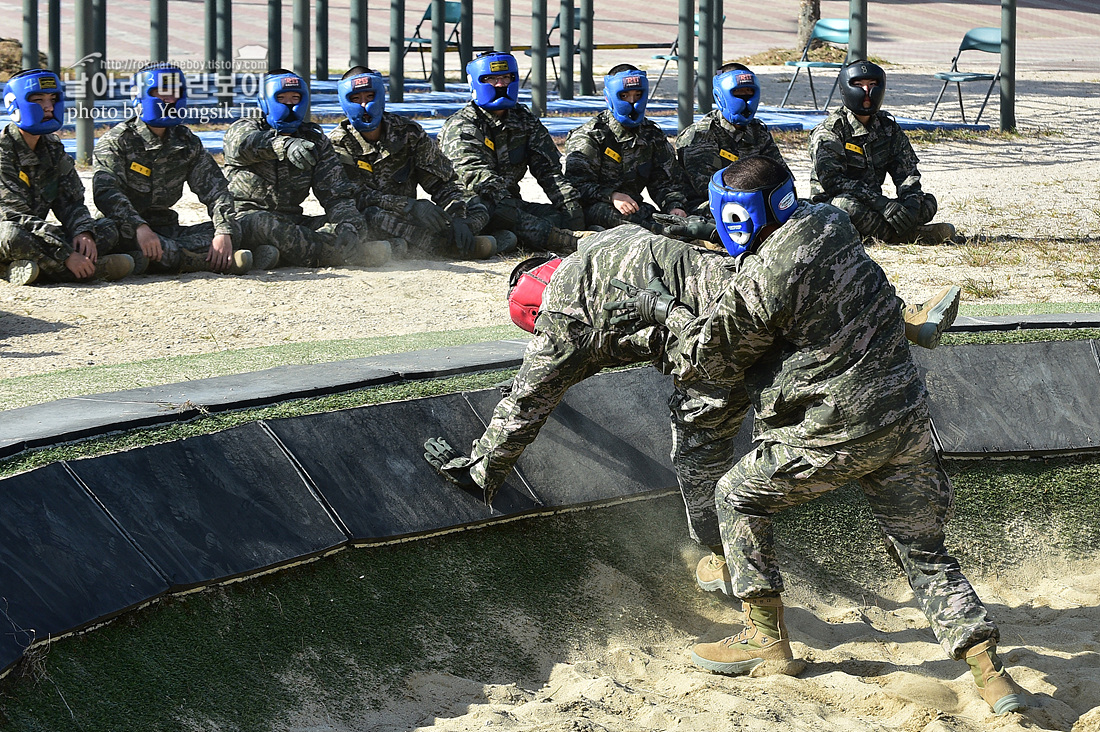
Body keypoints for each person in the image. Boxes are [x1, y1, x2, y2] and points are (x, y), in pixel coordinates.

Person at [609, 156, 1024, 716]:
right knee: (924, 554)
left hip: (836, 430)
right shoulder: (831, 223)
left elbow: (710, 360)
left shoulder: (759, 285)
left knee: (735, 495)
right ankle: (991, 676)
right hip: (903, 418)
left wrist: (662, 313)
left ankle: (766, 640)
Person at [423, 226, 751, 558]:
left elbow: (522, 410)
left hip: (720, 341)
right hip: (750, 286)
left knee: (698, 451)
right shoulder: (605, 239)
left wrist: (477, 472)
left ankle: (727, 559)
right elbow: (602, 339)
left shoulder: (558, 320)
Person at [92, 63, 265, 276]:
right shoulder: (117, 142)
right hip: (125, 229)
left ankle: (150, 261)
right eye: (162, 93)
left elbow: (217, 191)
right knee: (110, 235)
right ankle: (206, 261)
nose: (170, 100)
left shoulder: (186, 142)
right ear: (140, 96)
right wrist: (139, 228)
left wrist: (223, 231)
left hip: (166, 230)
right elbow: (107, 194)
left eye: (176, 93)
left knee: (237, 228)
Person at [329, 67, 514, 260]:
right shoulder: (338, 143)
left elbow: (444, 183)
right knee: (373, 216)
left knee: (477, 205)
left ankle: (456, 238)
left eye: (369, 96)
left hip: (414, 219)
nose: (365, 105)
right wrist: (410, 206)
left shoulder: (408, 133)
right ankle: (447, 247)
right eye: (356, 99)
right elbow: (354, 198)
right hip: (375, 219)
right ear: (345, 102)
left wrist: (458, 217)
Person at [222, 69, 392, 269]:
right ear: (265, 101)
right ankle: (353, 255)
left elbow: (336, 194)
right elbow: (246, 144)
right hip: (245, 219)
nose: (290, 105)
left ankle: (279, 255)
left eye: (295, 98)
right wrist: (284, 145)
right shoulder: (243, 129)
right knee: (265, 223)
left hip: (292, 221)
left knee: (351, 223)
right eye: (282, 98)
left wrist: (349, 228)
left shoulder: (313, 140)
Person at [439, 51, 587, 253]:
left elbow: (549, 171)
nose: (501, 84)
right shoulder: (462, 125)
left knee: (557, 216)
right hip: (473, 206)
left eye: (506, 77)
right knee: (504, 212)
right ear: (476, 82)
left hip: (511, 205)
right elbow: (477, 178)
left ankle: (503, 240)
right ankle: (562, 240)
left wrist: (572, 210)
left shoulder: (524, 119)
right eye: (491, 78)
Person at [1, 68, 133, 285]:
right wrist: (66, 254)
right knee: (11, 235)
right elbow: (14, 216)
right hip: (11, 230)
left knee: (107, 228)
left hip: (37, 235)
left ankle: (27, 268)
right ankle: (93, 269)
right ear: (15, 104)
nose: (49, 107)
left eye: (53, 99)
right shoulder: (3, 152)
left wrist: (83, 232)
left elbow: (71, 202)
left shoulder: (52, 148)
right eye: (38, 100)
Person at [809, 60, 956, 245]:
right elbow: (832, 182)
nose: (866, 91)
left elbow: (907, 174)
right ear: (845, 88)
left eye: (872, 85)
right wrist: (882, 204)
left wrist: (910, 205)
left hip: (875, 207)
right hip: (832, 207)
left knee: (927, 203)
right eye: (858, 85)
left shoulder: (888, 128)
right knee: (844, 207)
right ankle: (906, 235)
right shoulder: (830, 131)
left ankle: (897, 230)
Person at [563, 65, 689, 231]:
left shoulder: (651, 134)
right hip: (597, 207)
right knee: (650, 229)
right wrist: (612, 195)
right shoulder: (590, 136)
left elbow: (664, 181)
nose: (632, 102)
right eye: (624, 95)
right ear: (610, 98)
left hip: (635, 208)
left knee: (674, 223)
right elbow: (576, 186)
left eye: (638, 95)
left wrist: (674, 206)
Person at [675, 63, 790, 218]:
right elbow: (710, 190)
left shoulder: (758, 132)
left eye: (749, 93)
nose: (745, 100)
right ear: (720, 96)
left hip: (756, 203)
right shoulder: (700, 136)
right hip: (709, 209)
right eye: (739, 93)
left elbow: (782, 176)